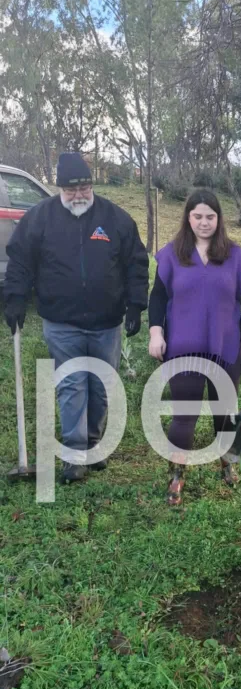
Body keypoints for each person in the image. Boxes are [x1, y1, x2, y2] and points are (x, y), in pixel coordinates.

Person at [3, 151, 148, 483]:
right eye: (71, 189)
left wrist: (136, 305)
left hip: (106, 322)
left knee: (100, 387)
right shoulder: (39, 219)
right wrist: (14, 299)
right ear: (59, 189)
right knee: (72, 386)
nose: (79, 194)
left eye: (84, 187)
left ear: (91, 185)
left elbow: (136, 264)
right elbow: (20, 262)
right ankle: (73, 455)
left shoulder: (116, 219)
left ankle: (93, 444)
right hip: (61, 320)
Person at [148, 189, 241, 506]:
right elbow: (158, 297)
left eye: (210, 217)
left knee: (224, 411)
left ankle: (228, 462)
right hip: (182, 346)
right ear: (188, 218)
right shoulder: (172, 254)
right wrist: (155, 334)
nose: (204, 222)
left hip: (226, 346)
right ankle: (177, 473)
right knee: (184, 414)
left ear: (219, 219)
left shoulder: (234, 256)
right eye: (198, 216)